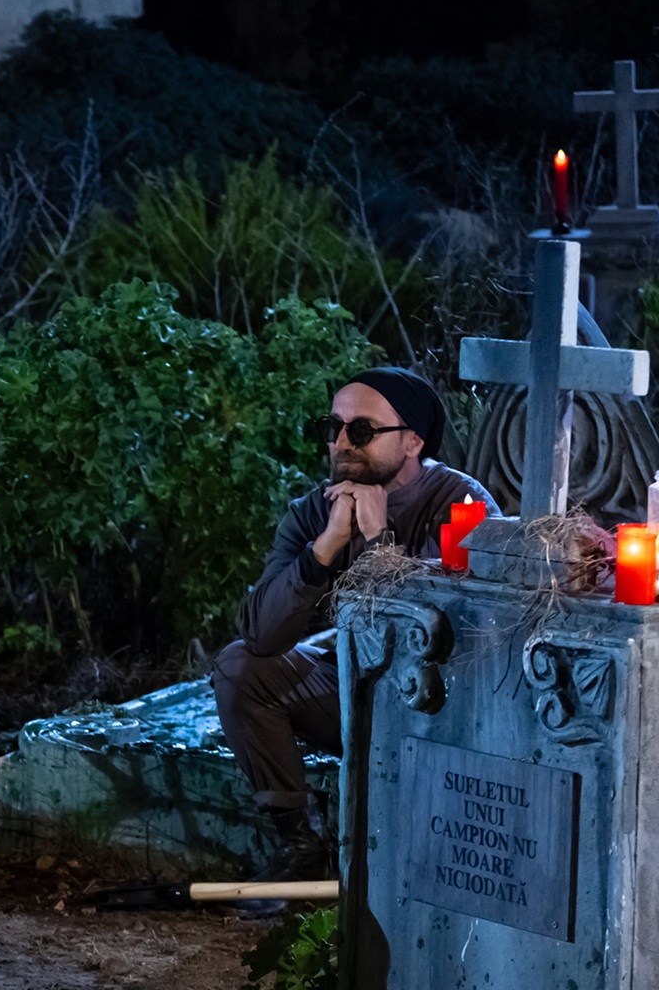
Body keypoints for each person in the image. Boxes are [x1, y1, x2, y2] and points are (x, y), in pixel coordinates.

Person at [210, 367, 497, 881]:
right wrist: (325, 547)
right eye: (334, 427)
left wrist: (380, 542)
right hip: (353, 692)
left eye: (362, 430)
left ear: (413, 441)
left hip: (440, 707)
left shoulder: (462, 505)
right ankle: (301, 844)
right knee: (239, 668)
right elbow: (260, 634)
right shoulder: (316, 510)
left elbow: (445, 635)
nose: (342, 442)